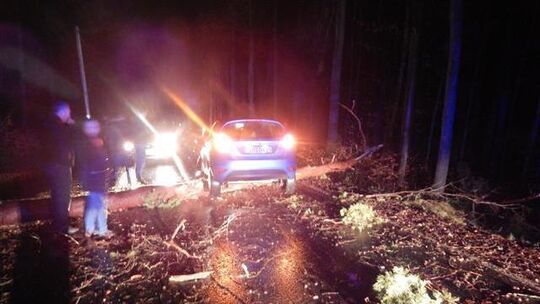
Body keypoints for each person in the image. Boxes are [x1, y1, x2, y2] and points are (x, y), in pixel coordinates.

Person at [43, 101, 78, 235]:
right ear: (63, 111)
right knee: (62, 196)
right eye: (68, 112)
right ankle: (62, 227)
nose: (69, 114)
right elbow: (67, 143)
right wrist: (72, 127)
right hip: (60, 165)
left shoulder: (50, 124)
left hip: (53, 165)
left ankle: (59, 225)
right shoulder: (58, 126)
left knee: (57, 194)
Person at [78, 119, 113, 238]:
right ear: (86, 129)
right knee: (97, 206)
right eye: (91, 127)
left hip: (98, 179)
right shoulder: (89, 144)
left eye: (96, 127)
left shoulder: (95, 142)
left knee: (96, 205)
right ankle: (100, 229)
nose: (94, 129)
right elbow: (90, 164)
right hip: (95, 179)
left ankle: (93, 229)